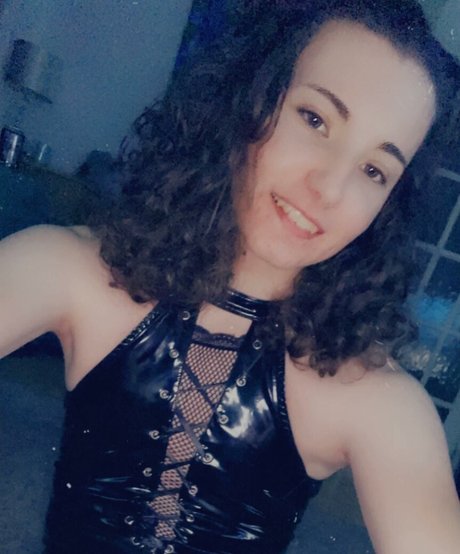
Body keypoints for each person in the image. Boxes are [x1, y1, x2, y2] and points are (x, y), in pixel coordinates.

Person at [1, 0, 460, 552]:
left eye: (374, 169)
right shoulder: (69, 268)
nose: (330, 188)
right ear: (248, 97)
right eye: (315, 119)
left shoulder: (378, 402)